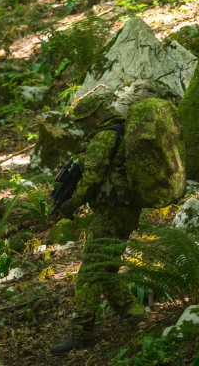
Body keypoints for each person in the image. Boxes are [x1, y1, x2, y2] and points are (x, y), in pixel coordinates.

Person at [49, 94, 148, 356]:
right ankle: (137, 315)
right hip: (126, 209)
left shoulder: (104, 136)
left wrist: (71, 204)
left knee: (90, 272)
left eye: (84, 121)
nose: (83, 126)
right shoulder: (123, 129)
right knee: (105, 268)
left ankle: (81, 332)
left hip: (112, 211)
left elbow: (93, 176)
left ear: (94, 116)